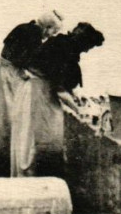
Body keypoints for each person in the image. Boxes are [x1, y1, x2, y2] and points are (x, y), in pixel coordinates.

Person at [11, 22, 104, 177]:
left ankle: (32, 175)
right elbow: (59, 88)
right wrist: (78, 109)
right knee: (33, 138)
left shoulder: (61, 43)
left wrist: (76, 95)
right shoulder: (63, 50)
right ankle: (31, 177)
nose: (87, 51)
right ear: (82, 42)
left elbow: (64, 79)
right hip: (37, 93)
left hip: (36, 89)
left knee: (31, 137)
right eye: (88, 47)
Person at [0, 12, 64, 175]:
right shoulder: (34, 34)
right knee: (11, 118)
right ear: (47, 27)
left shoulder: (23, 27)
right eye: (53, 31)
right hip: (10, 76)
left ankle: (2, 160)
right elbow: (25, 60)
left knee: (2, 120)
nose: (52, 36)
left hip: (4, 72)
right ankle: (8, 162)